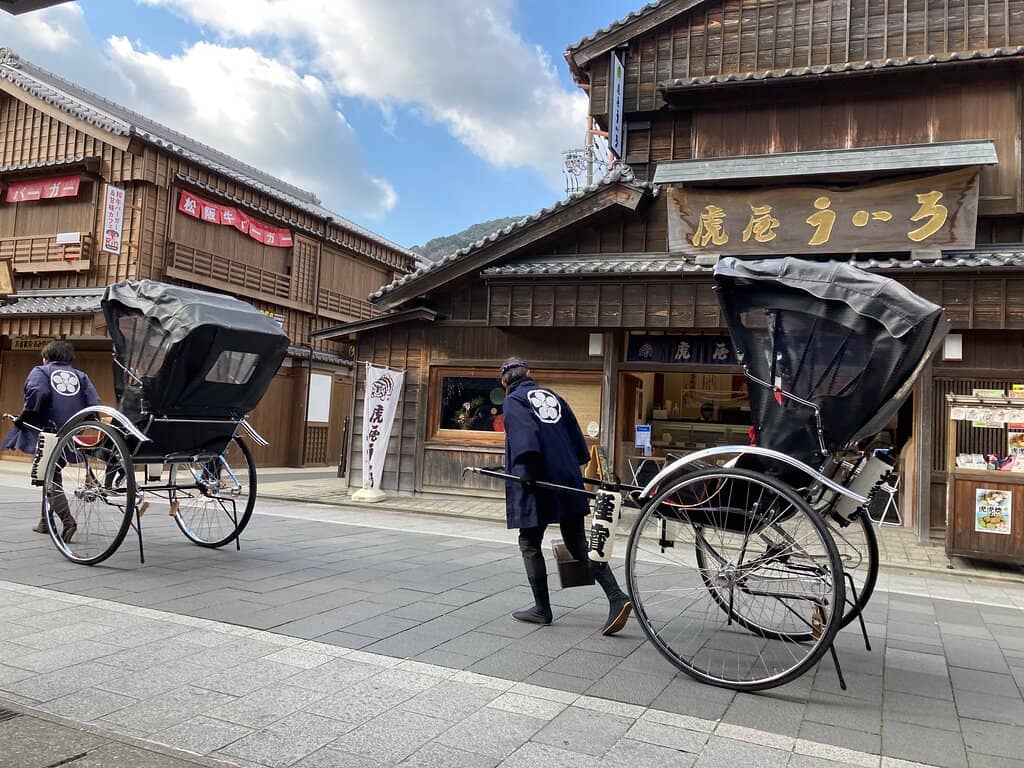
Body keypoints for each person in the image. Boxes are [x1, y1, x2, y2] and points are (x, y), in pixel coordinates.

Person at [500, 357, 631, 635]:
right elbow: (578, 444)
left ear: (504, 383)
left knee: (529, 541)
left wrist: (527, 471)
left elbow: (526, 439)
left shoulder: (514, 401)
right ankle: (616, 596)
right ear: (530, 374)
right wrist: (573, 466)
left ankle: (541, 609)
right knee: (577, 543)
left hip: (538, 480)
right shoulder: (554, 397)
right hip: (568, 476)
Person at [1, 340, 100, 538]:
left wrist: (28, 414)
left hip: (50, 432)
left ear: (46, 357)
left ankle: (67, 520)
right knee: (52, 472)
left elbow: (38, 392)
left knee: (49, 475)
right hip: (74, 432)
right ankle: (45, 521)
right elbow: (94, 402)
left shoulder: (42, 371)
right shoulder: (81, 376)